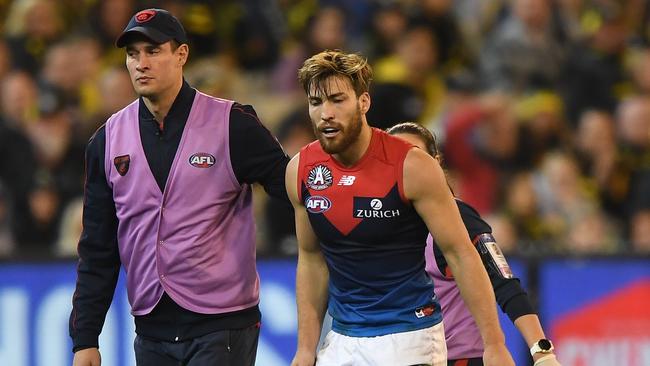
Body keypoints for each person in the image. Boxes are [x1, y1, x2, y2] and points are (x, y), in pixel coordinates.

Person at [69, 8, 289, 366]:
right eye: (132, 54)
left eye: (153, 51)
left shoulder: (233, 124)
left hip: (223, 326)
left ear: (181, 55)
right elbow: (97, 248)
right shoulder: (106, 141)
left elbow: (294, 190)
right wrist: (85, 339)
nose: (141, 63)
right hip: (151, 331)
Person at [287, 50, 514, 366]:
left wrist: (494, 344)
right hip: (341, 339)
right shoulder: (301, 170)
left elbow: (461, 253)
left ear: (363, 102)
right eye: (316, 103)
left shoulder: (412, 166)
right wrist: (304, 350)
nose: (326, 113)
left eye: (337, 100)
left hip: (410, 336)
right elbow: (311, 260)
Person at [387, 122, 562, 366]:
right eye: (395, 158)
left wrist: (542, 352)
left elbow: (503, 281)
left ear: (435, 163)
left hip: (460, 358)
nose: (407, 167)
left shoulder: (457, 216)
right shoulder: (375, 224)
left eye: (415, 156)